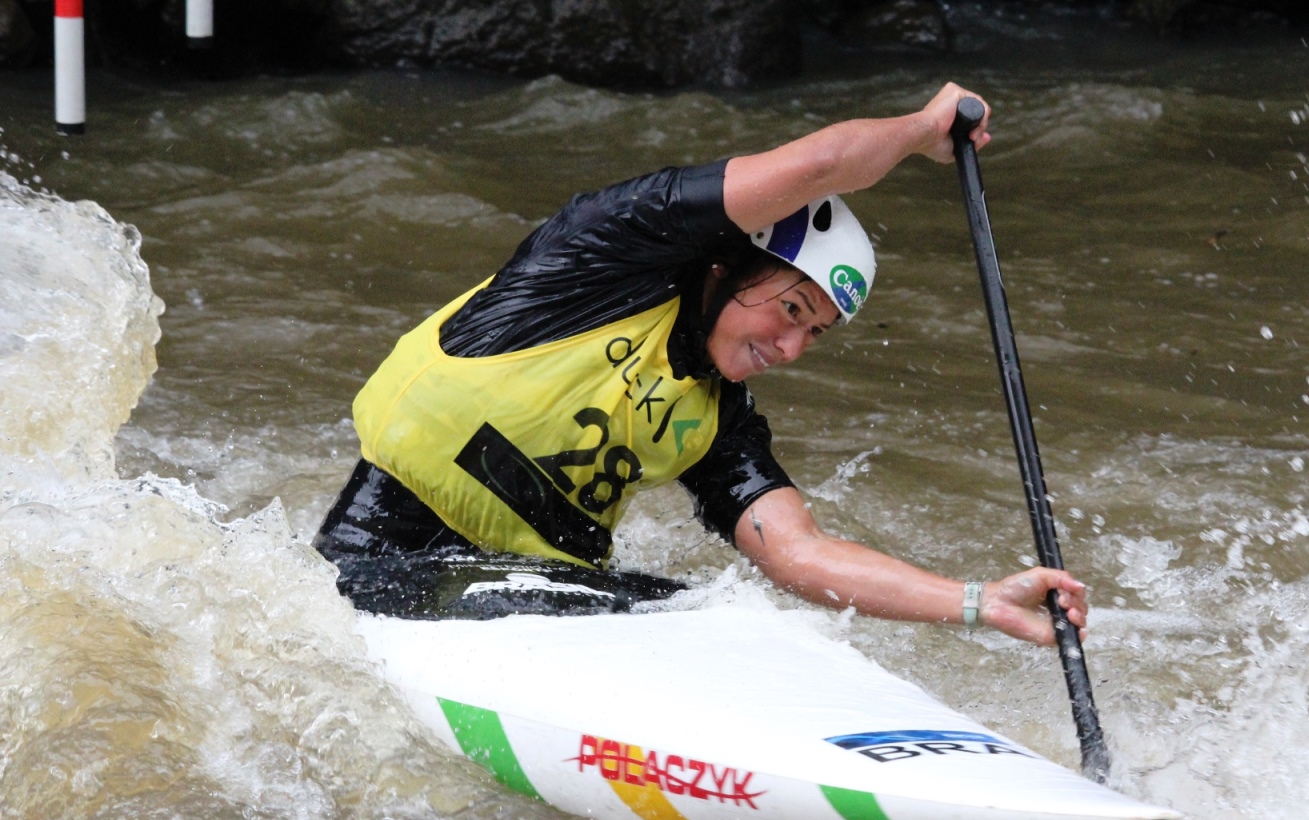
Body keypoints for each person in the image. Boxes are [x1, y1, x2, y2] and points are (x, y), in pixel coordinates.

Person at [314, 82, 1088, 645]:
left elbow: (797, 553)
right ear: (726, 267)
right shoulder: (601, 257)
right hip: (377, 561)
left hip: (537, 605)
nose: (788, 349)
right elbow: (816, 167)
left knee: (728, 624)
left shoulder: (719, 419)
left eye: (813, 333)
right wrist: (924, 128)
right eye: (788, 309)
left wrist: (978, 601)